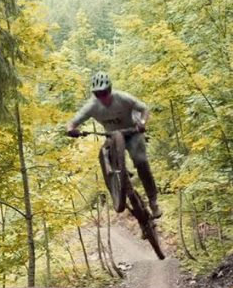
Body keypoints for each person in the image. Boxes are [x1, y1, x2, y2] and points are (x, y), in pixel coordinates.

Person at [66, 71, 162, 219]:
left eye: (105, 92)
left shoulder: (122, 98)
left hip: (132, 132)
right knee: (104, 154)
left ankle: (153, 201)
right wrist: (71, 129)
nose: (102, 97)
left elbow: (144, 109)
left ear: (110, 89)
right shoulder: (92, 106)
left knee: (141, 161)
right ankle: (118, 177)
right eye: (98, 94)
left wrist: (142, 123)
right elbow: (73, 122)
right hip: (112, 136)